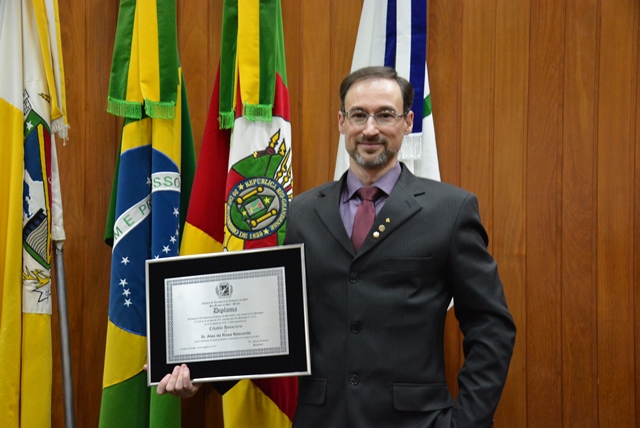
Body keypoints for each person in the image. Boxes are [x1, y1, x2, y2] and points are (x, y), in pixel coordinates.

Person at [155, 66, 516, 428]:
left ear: (407, 121)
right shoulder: (302, 212)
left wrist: (467, 423)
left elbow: (491, 327)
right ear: (342, 122)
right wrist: (203, 370)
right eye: (359, 114)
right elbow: (270, 319)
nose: (370, 129)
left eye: (385, 115)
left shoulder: (450, 210)